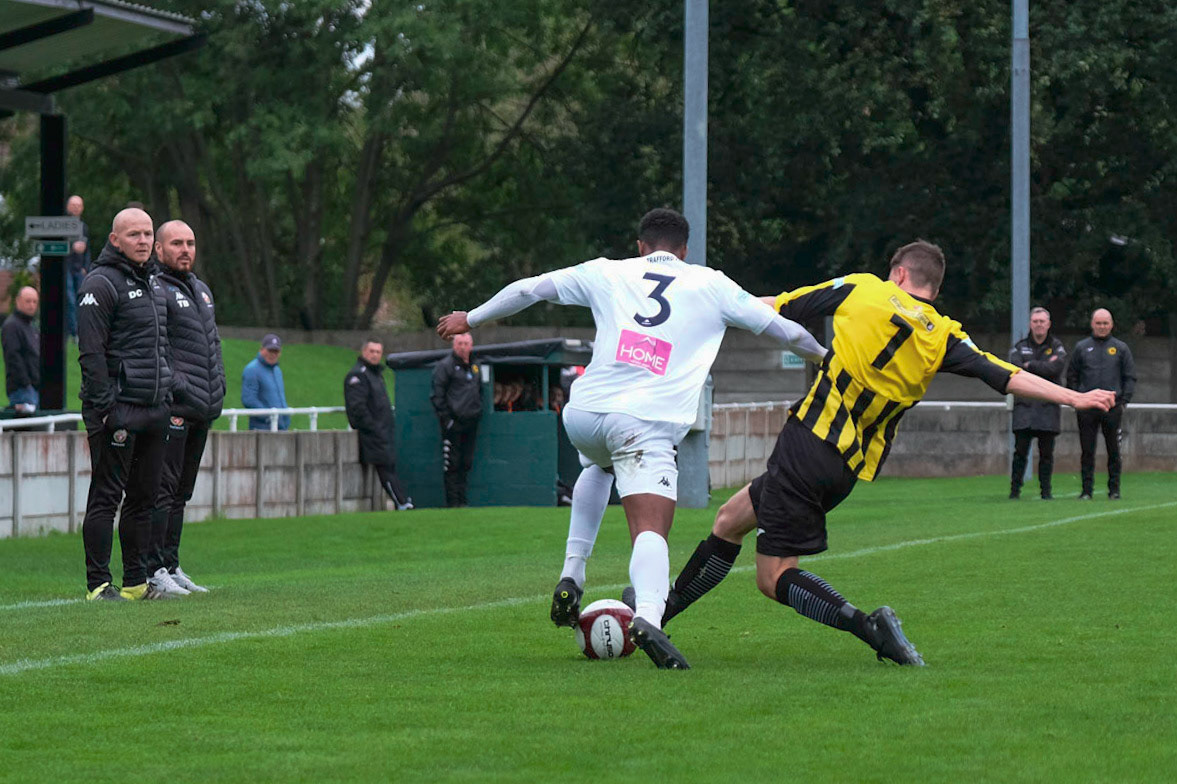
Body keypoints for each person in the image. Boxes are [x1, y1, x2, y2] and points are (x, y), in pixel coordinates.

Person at [637, 241, 1116, 666]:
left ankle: (870, 628)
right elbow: (1007, 374)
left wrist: (694, 309)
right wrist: (1074, 398)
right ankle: (658, 612)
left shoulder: (863, 289)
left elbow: (772, 308)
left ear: (900, 274)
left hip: (807, 443)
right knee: (730, 518)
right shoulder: (943, 333)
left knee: (773, 577)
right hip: (847, 467)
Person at [437, 208, 828, 669]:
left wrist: (472, 317)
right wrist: (825, 357)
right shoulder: (710, 283)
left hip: (583, 413)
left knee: (597, 466)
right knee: (651, 528)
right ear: (684, 250)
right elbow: (784, 330)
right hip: (644, 423)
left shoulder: (606, 271)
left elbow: (528, 289)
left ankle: (572, 573)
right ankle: (648, 617)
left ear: (641, 245)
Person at [77, 208, 173, 601]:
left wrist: (167, 395)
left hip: (154, 409)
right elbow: (91, 353)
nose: (143, 240)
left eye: (148, 233)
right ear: (115, 239)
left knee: (145, 499)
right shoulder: (99, 283)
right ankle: (99, 584)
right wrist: (105, 407)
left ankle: (135, 581)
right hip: (117, 410)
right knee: (106, 496)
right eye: (134, 234)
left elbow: (162, 346)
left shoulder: (153, 281)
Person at [146, 220, 225, 596]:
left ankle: (172, 564)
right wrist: (180, 389)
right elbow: (157, 350)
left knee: (181, 492)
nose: (185, 249)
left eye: (190, 242)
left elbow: (213, 348)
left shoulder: (202, 290)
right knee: (162, 490)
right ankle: (153, 569)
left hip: (201, 408)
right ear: (159, 250)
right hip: (176, 407)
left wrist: (217, 388)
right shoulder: (156, 289)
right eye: (176, 243)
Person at [1066, 308, 1136, 500]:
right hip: (1087, 408)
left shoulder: (1121, 348)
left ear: (1111, 325)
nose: (1102, 327)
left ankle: (1114, 490)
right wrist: (1078, 399)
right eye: (1098, 323)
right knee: (1087, 451)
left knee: (1114, 450)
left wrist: (1124, 402)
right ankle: (1086, 491)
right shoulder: (1082, 347)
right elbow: (1071, 376)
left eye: (1105, 323)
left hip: (1112, 408)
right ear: (1092, 324)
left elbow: (1129, 377)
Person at [345, 339, 413, 511]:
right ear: (363, 352)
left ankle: (402, 500)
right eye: (371, 351)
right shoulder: (358, 375)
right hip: (373, 433)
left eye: (378, 352)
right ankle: (401, 502)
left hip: (383, 431)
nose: (375, 355)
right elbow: (357, 408)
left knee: (390, 465)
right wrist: (373, 427)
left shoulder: (375, 374)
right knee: (385, 467)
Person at [1008, 307, 1067, 499]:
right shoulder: (1019, 346)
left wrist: (1030, 365)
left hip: (1047, 408)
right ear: (1030, 324)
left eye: (1042, 321)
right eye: (1035, 321)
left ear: (1048, 324)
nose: (1039, 325)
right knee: (1020, 453)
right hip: (1024, 408)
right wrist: (1037, 368)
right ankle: (1014, 491)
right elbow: (1016, 370)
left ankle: (1046, 492)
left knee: (1046, 455)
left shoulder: (1057, 346)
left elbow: (1055, 368)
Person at [430, 332, 482, 507]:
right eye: (460, 343)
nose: (463, 347)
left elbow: (480, 390)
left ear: (471, 345)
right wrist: (447, 420)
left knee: (466, 463)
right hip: (454, 423)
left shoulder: (475, 366)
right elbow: (437, 396)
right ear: (454, 345)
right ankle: (453, 504)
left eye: (466, 343)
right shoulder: (446, 366)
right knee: (452, 464)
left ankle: (463, 501)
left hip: (471, 422)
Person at [2, 286, 40, 413]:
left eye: (35, 301)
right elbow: (13, 357)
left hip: (33, 387)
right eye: (28, 301)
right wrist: (26, 383)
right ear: (18, 301)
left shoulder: (31, 326)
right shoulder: (12, 326)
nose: (32, 305)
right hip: (22, 389)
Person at [242, 334, 290, 430]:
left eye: (276, 351)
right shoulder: (252, 369)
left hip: (280, 427)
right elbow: (249, 400)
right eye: (270, 350)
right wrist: (270, 417)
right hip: (261, 429)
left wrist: (285, 418)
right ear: (261, 349)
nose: (273, 354)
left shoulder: (277, 370)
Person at [63, 194, 90, 339]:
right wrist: (73, 247)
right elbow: (59, 247)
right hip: (66, 267)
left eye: (78, 205)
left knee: (81, 300)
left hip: (79, 268)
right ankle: (73, 333)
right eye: (73, 205)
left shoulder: (84, 227)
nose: (76, 208)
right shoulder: (62, 226)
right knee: (70, 300)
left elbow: (87, 249)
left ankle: (79, 331)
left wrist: (86, 267)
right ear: (68, 207)